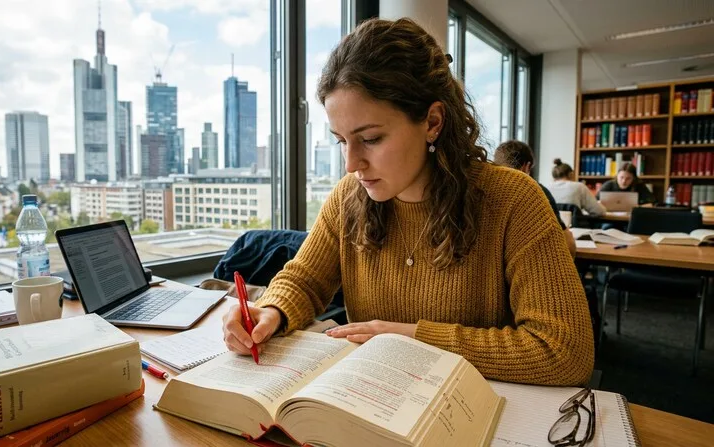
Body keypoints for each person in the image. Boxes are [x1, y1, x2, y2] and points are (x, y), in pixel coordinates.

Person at [222, 18, 594, 386]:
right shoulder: (348, 197)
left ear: (432, 122)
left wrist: (415, 339)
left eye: (370, 138)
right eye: (341, 141)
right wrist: (271, 310)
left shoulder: (513, 200)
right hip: (376, 399)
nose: (351, 164)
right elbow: (304, 280)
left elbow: (565, 351)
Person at [493, 140, 576, 257]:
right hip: (527, 263)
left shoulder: (482, 190)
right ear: (526, 166)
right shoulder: (536, 190)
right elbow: (566, 245)